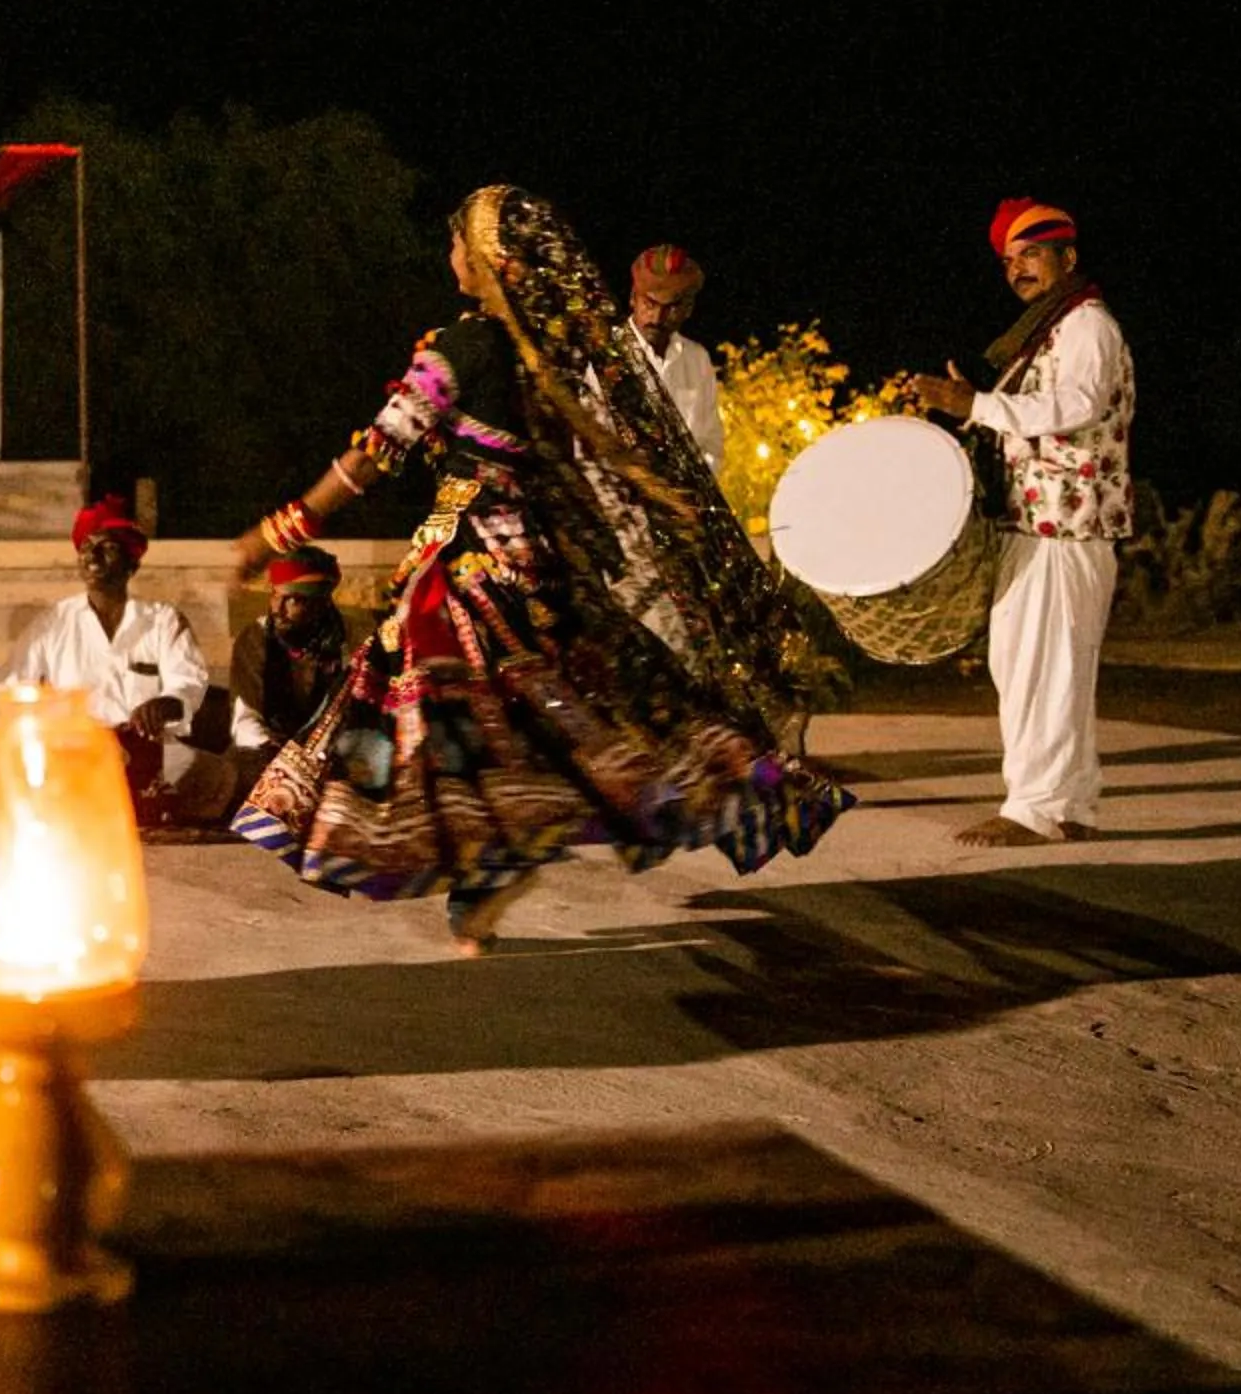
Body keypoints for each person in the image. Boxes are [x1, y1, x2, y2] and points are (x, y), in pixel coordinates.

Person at [230, 183, 854, 956]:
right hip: (533, 564)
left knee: (433, 713)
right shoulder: (540, 353)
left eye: (458, 241)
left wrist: (278, 530)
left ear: (487, 258)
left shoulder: (463, 346)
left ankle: (488, 863)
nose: (449, 254)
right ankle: (495, 865)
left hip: (475, 571)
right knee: (555, 720)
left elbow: (378, 452)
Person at [904, 198, 1135, 848]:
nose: (1018, 270)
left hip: (1064, 530)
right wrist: (977, 409)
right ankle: (1073, 804)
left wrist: (976, 402)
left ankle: (1034, 810)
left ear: (1068, 257)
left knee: (1041, 669)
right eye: (1009, 260)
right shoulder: (1049, 332)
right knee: (1044, 667)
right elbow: (1036, 409)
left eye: (1031, 254)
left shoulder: (1087, 324)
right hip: (1043, 527)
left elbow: (1075, 404)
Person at [0, 495, 234, 827]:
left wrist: (165, 703)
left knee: (215, 774)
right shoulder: (52, 623)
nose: (92, 557)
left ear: (131, 565)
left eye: (106, 548)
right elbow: (10, 687)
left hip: (148, 755)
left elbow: (188, 684)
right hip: (74, 752)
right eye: (86, 547)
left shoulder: (163, 620)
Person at [223, 543, 349, 785]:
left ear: (321, 604)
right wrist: (278, 754)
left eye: (293, 600)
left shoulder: (351, 639)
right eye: (275, 595)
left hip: (330, 752)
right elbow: (246, 717)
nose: (278, 609)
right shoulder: (255, 637)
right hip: (268, 751)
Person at [625, 243, 725, 476]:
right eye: (650, 304)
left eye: (670, 308)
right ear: (633, 298)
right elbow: (589, 453)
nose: (657, 317)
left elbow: (711, 441)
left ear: (688, 309)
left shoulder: (697, 359)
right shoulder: (608, 357)